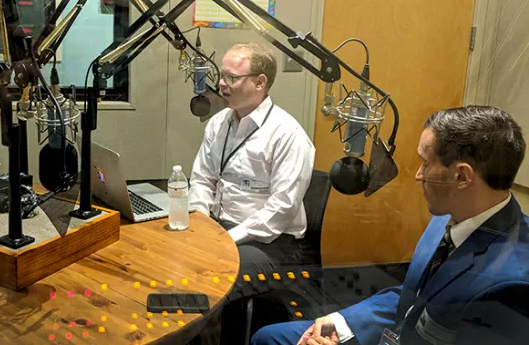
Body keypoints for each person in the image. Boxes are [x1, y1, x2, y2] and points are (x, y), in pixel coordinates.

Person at [252, 105, 529, 345]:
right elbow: (414, 296)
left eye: (425, 163)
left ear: (461, 176)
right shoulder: (449, 215)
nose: (418, 175)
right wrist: (341, 323)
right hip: (400, 332)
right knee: (268, 337)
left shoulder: (511, 285)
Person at [188, 43, 315, 342]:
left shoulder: (288, 135)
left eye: (232, 77)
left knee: (204, 281)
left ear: (260, 82)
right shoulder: (220, 123)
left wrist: (222, 239)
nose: (221, 83)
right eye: (221, 75)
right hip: (221, 229)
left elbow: (280, 211)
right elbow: (202, 179)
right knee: (175, 259)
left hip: (270, 242)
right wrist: (202, 224)